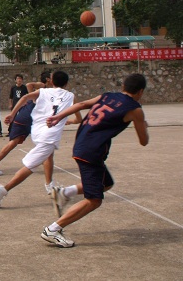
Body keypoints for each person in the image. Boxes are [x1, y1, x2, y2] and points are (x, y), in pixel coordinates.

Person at [41, 74, 149, 248]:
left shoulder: (108, 96)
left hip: (82, 144)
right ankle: (53, 229)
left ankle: (64, 193)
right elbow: (144, 141)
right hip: (91, 152)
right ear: (141, 91)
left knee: (106, 183)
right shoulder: (135, 109)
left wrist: (58, 117)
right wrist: (142, 124)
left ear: (123, 85)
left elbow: (82, 104)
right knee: (94, 200)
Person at [0, 70, 74, 208]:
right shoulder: (70, 96)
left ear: (52, 82)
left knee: (48, 156)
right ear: (66, 83)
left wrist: (12, 114)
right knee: (31, 166)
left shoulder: (43, 91)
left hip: (36, 131)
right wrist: (69, 121)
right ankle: (4, 190)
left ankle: (49, 185)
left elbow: (24, 98)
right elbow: (79, 117)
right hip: (49, 135)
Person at [0, 72, 51, 177]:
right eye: (51, 76)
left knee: (18, 142)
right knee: (39, 141)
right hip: (26, 118)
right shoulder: (43, 89)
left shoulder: (50, 92)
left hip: (28, 118)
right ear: (48, 79)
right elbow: (30, 85)